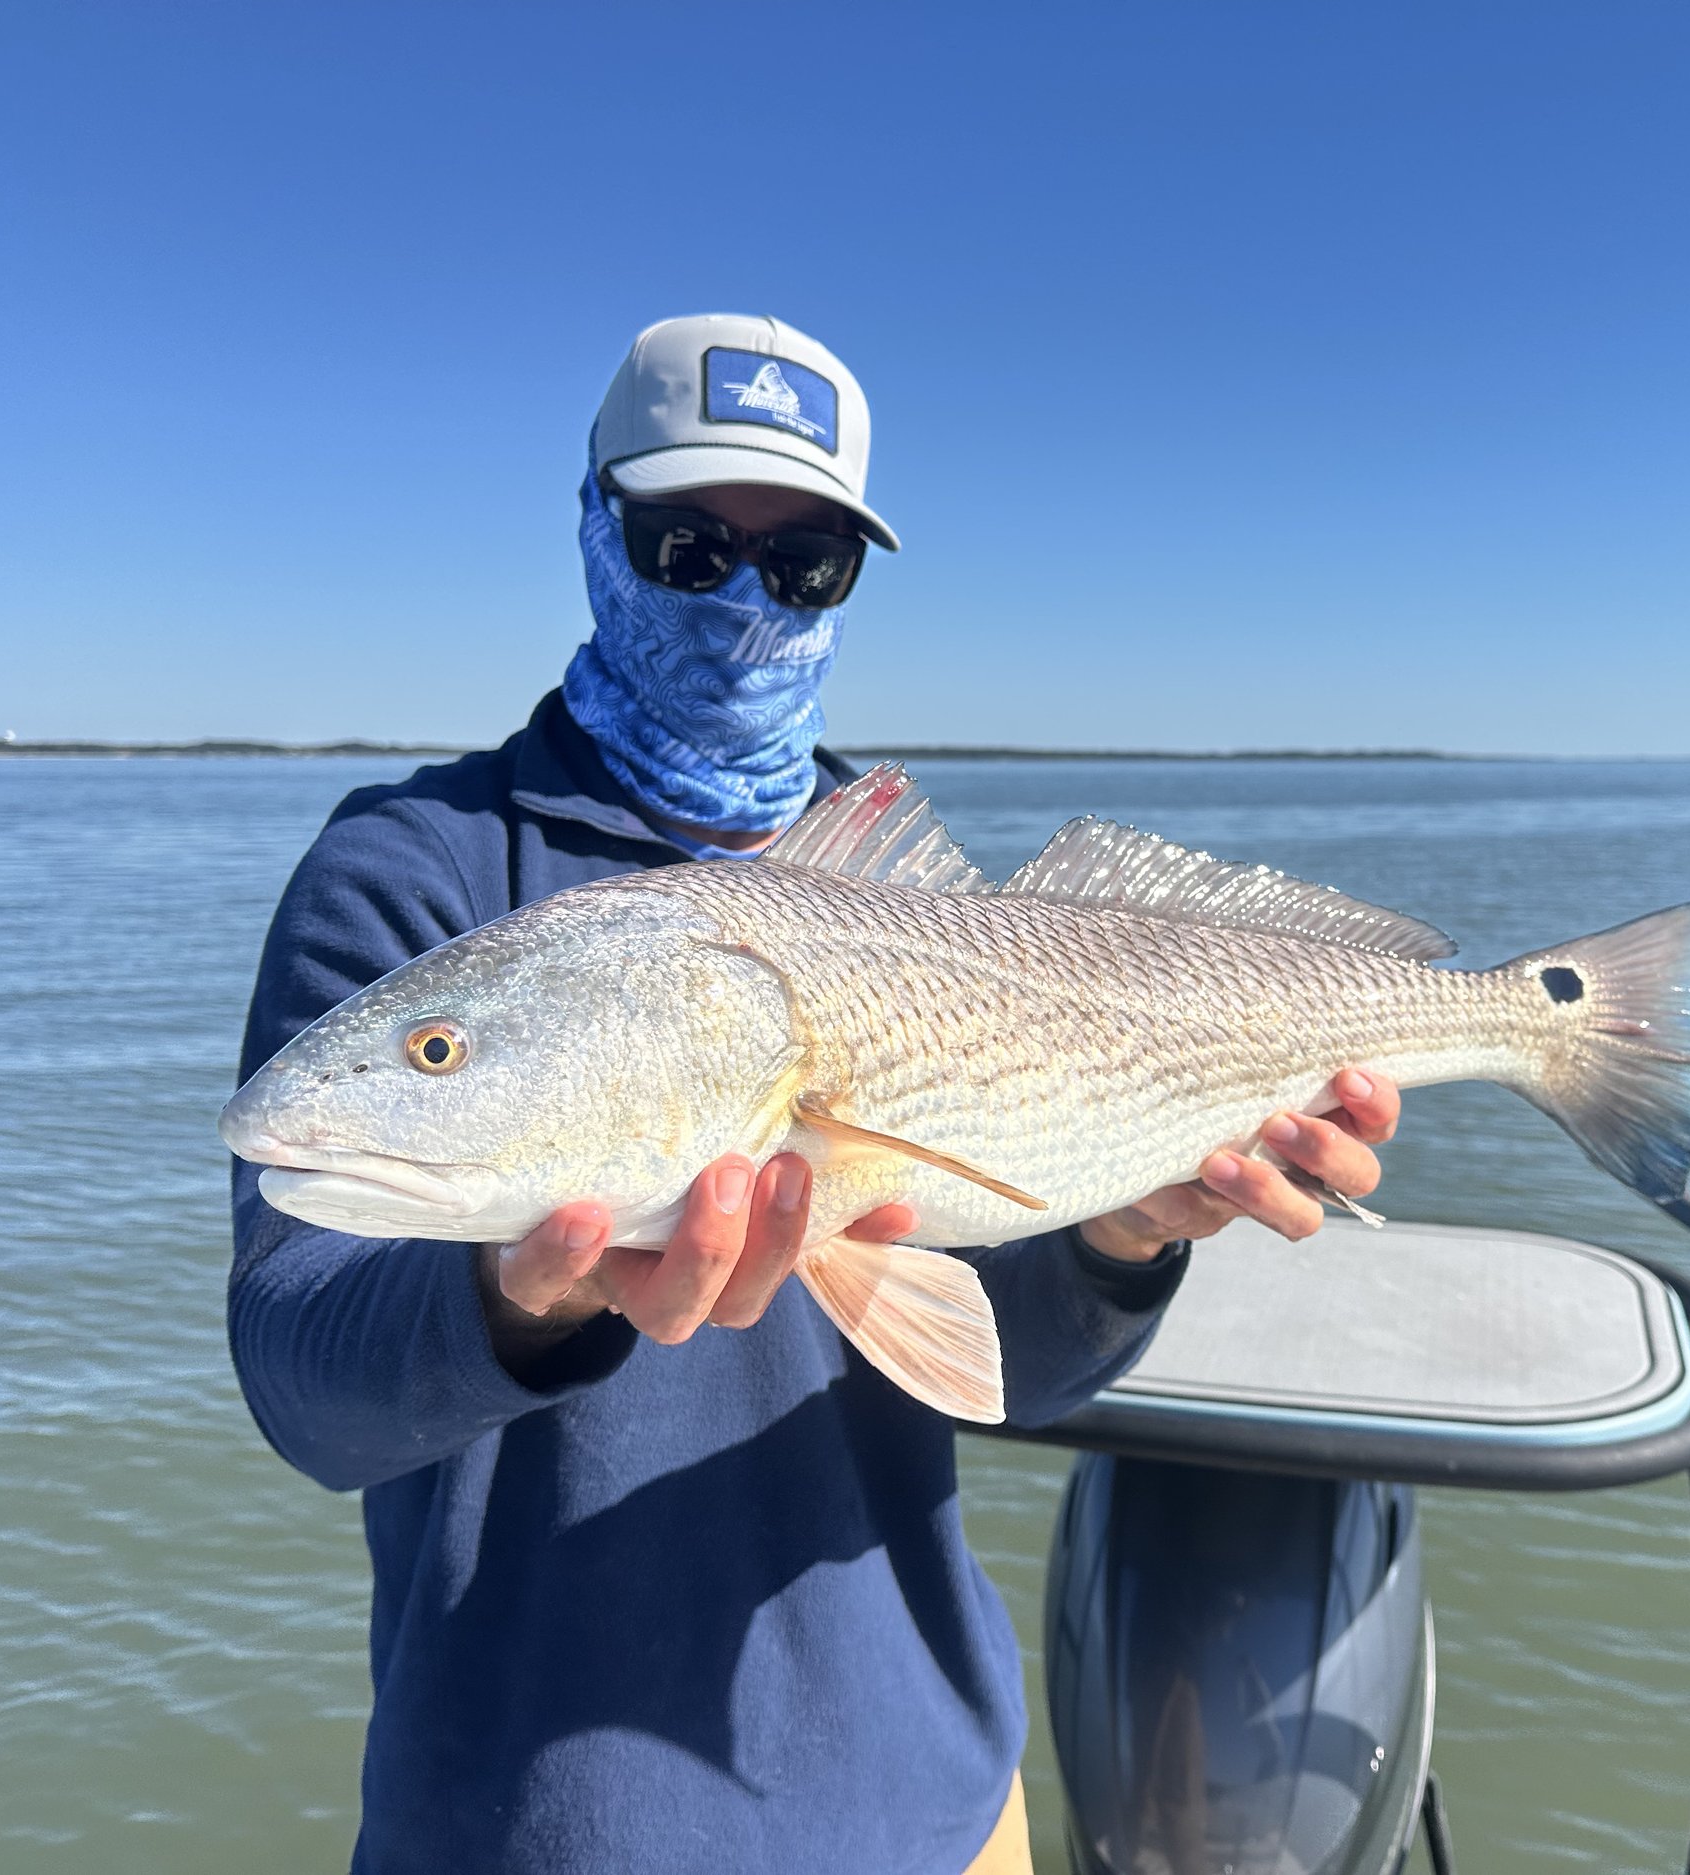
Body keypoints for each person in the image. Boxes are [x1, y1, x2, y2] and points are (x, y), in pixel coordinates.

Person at [227, 313, 1405, 1875]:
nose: (740, 600)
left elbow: (1018, 1372)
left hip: (944, 1809)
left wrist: (1127, 1236)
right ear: (595, 525)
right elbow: (304, 1376)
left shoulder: (903, 886)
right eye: (687, 543)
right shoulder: (419, 869)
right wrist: (524, 1299)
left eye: (804, 567)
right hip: (542, 1831)